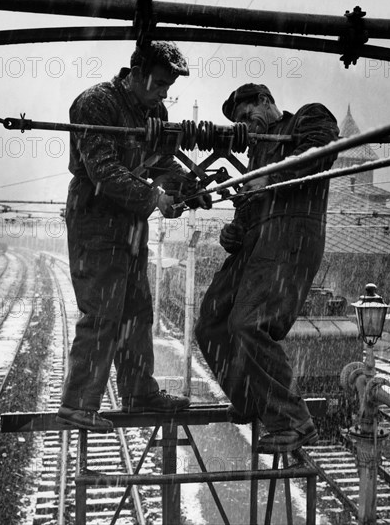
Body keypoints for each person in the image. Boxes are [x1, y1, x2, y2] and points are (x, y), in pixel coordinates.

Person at [57, 41, 210, 432]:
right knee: (103, 309)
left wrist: (189, 187)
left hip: (130, 220)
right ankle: (78, 402)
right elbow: (104, 172)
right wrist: (154, 197)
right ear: (137, 73)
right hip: (95, 213)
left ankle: (139, 391)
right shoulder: (96, 104)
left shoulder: (154, 111)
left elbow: (161, 160)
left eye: (168, 87)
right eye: (160, 83)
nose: (164, 93)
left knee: (137, 311)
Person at [195, 83, 339, 452]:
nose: (245, 123)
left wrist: (269, 177)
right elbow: (251, 202)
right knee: (212, 320)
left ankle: (293, 420)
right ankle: (249, 398)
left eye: (246, 115)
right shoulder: (259, 147)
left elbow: (320, 151)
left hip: (290, 235)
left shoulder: (310, 116)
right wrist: (235, 229)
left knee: (248, 322)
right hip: (256, 242)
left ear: (263, 100)